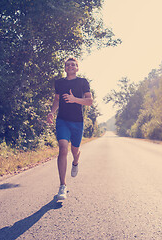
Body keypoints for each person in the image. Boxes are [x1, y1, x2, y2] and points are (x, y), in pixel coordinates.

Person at [47, 57, 93, 200]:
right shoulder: (59, 83)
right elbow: (57, 99)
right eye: (68, 65)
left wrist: (75, 100)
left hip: (77, 122)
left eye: (73, 64)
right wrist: (52, 112)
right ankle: (62, 186)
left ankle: (76, 162)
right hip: (62, 120)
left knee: (75, 151)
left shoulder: (83, 82)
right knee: (63, 149)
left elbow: (89, 101)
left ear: (77, 68)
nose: (70, 66)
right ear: (65, 68)